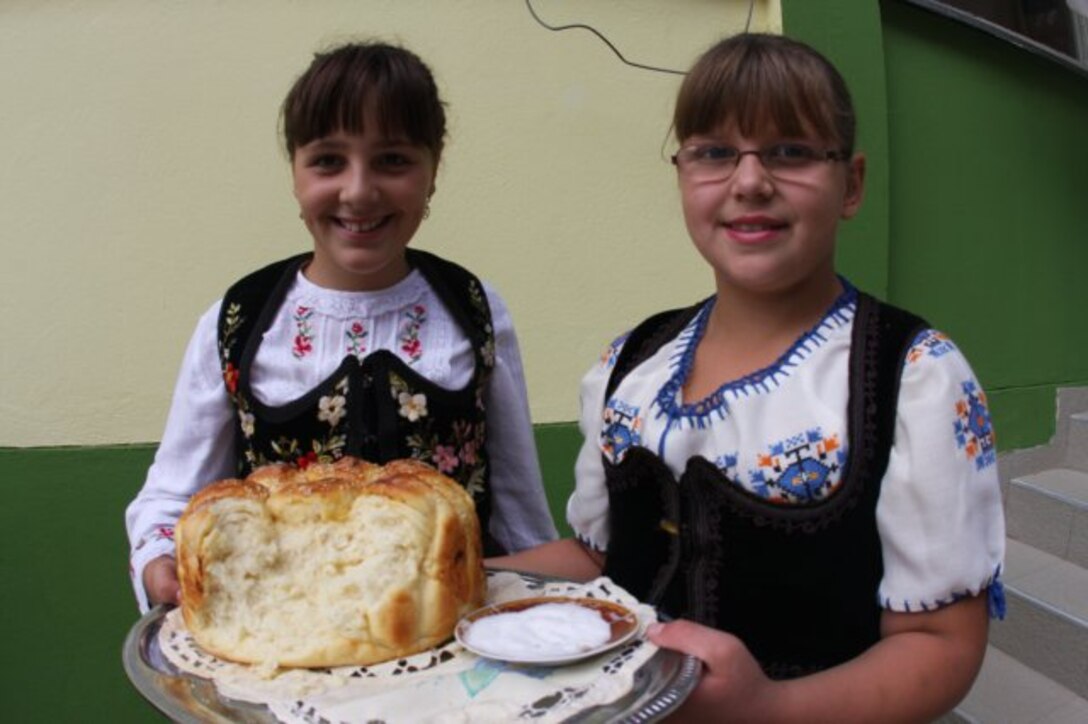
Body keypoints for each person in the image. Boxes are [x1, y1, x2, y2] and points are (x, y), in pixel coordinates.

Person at [488, 33, 1005, 722]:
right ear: (682, 176)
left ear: (850, 185)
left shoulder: (914, 378)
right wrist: (465, 574)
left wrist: (770, 708)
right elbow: (596, 557)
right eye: (714, 152)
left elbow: (942, 645)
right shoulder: (629, 366)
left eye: (791, 151)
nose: (751, 180)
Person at [126, 42, 557, 613]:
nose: (358, 191)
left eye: (393, 160)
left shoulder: (474, 309)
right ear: (295, 172)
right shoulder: (240, 321)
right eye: (329, 161)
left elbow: (519, 511)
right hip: (281, 642)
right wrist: (161, 568)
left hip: (447, 647)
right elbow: (172, 500)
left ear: (433, 170)